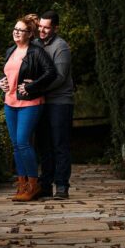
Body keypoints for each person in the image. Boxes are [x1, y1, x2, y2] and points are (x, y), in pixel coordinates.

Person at [0, 14, 57, 202]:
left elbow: (51, 72)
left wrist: (32, 86)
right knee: (16, 145)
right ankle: (22, 184)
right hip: (10, 102)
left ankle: (33, 184)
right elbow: (6, 74)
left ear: (30, 34)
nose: (16, 33)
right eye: (14, 29)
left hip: (30, 103)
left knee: (23, 141)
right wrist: (0, 83)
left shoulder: (36, 51)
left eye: (20, 30)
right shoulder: (10, 51)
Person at [35, 10, 74, 199]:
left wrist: (35, 88)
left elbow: (59, 78)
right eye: (40, 26)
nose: (41, 30)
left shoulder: (61, 47)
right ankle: (44, 185)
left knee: (60, 144)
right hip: (41, 102)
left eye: (46, 27)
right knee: (44, 145)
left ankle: (61, 186)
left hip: (60, 102)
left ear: (55, 28)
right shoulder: (34, 44)